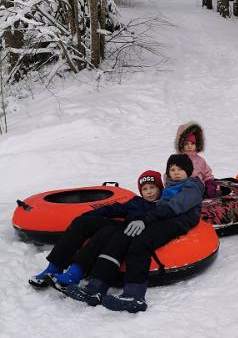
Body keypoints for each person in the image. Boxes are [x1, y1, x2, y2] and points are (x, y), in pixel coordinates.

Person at [74, 154, 204, 313]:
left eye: (180, 169)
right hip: (164, 219)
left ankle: (135, 296)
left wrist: (146, 220)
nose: (176, 172)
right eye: (172, 169)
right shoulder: (168, 188)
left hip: (179, 221)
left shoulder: (193, 186)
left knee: (142, 241)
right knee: (125, 235)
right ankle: (96, 288)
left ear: (188, 171)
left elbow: (174, 207)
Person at [28, 170, 164, 291]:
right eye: (145, 189)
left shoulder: (164, 204)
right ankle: (53, 268)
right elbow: (115, 209)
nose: (149, 192)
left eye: (153, 187)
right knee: (82, 222)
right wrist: (90, 214)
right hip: (123, 226)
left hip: (130, 234)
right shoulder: (136, 201)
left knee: (108, 231)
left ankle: (74, 274)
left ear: (160, 188)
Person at [174, 121, 219, 197]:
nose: (189, 146)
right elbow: (168, 175)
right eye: (186, 144)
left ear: (197, 144)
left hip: (198, 190)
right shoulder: (176, 159)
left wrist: (209, 182)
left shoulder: (200, 160)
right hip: (181, 190)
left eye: (193, 143)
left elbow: (207, 174)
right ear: (181, 144)